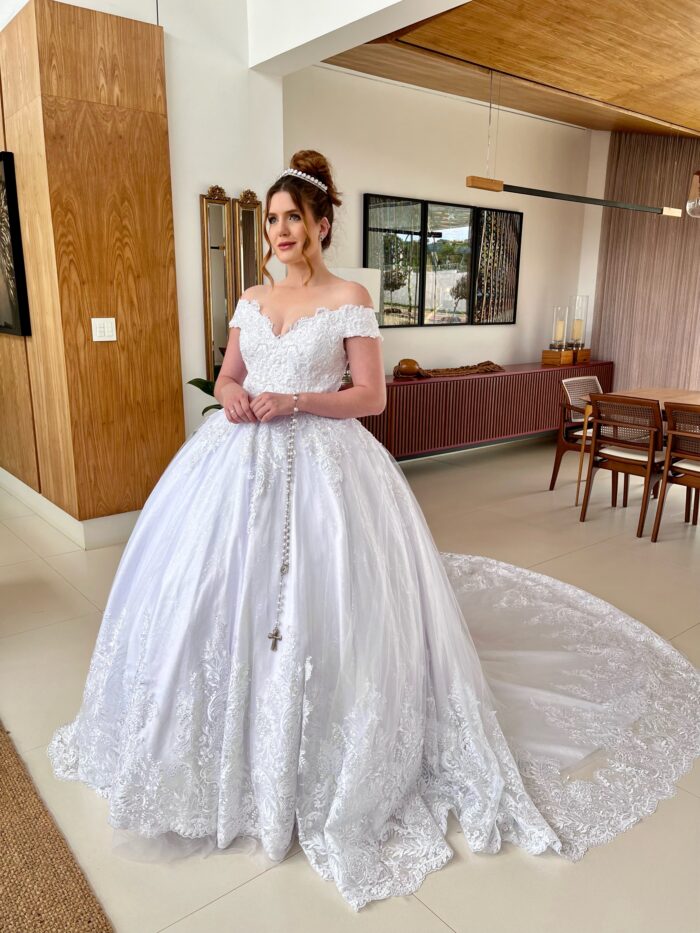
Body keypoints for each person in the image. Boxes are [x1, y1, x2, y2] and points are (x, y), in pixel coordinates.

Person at [48, 150, 700, 912]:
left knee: (330, 594)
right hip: (239, 462)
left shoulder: (349, 297)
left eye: (294, 218)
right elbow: (228, 373)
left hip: (327, 465)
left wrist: (295, 401)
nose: (281, 231)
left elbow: (370, 397)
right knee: (219, 590)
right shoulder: (251, 297)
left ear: (321, 224)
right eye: (273, 219)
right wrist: (233, 397)